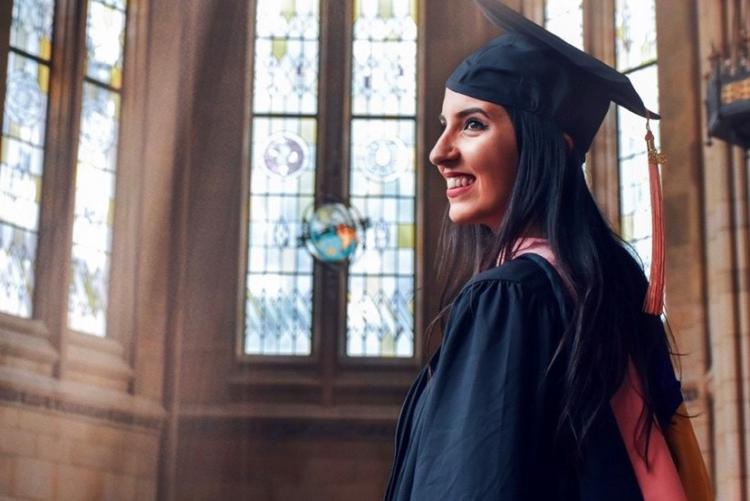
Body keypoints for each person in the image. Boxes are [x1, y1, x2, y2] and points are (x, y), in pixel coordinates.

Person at [383, 1, 712, 500]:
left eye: (472, 124)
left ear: (547, 145)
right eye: (443, 124)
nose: (439, 151)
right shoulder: (605, 284)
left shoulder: (512, 299)